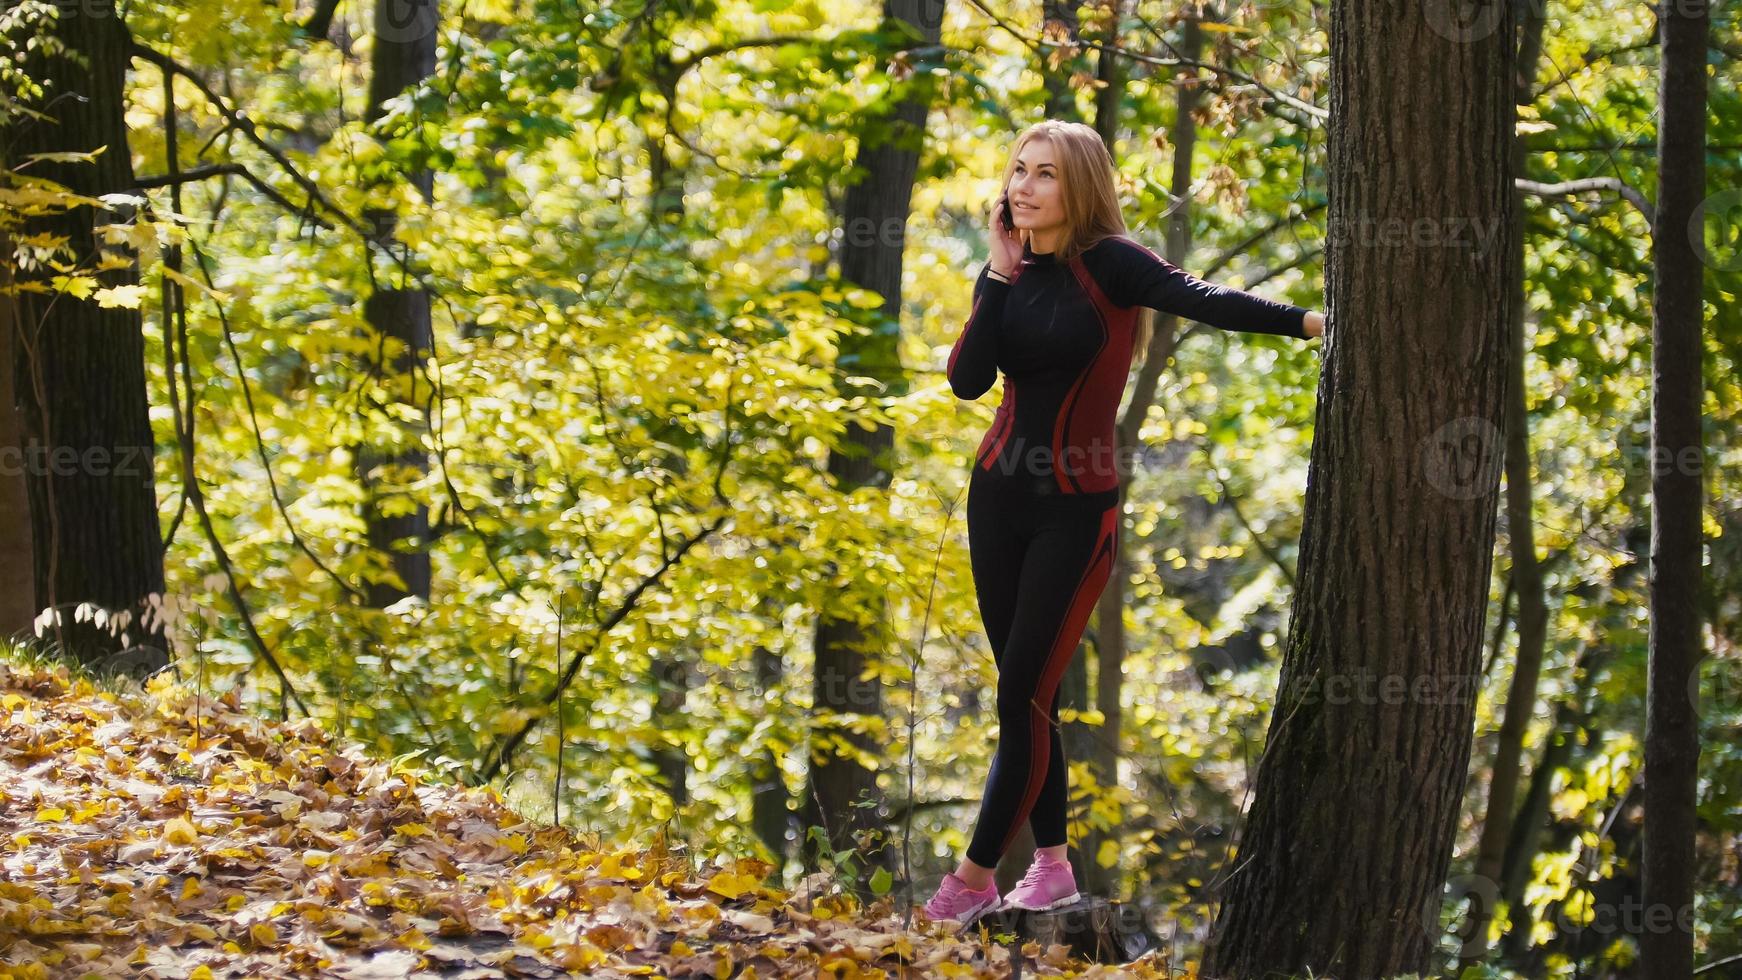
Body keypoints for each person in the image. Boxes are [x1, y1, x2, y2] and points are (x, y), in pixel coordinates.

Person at [921, 120, 1325, 930]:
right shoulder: (1004, 272)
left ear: (1080, 188)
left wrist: (1315, 324)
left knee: (1023, 696)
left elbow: (1207, 299)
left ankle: (968, 882)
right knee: (1025, 697)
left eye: (1046, 175)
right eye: (1018, 172)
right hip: (995, 498)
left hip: (1076, 512)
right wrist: (997, 274)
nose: (1024, 188)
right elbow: (967, 381)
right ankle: (1051, 867)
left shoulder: (1113, 262)